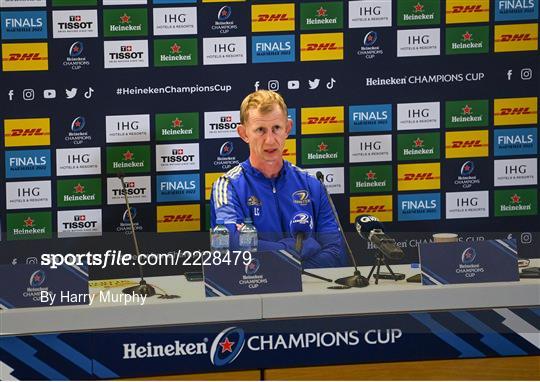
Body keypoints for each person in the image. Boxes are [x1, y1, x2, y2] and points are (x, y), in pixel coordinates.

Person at [210, 90, 348, 268]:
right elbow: (231, 247)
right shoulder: (228, 186)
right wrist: (298, 246)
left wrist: (270, 256)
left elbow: (336, 253)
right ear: (243, 133)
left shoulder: (312, 184)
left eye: (276, 128)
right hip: (252, 289)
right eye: (260, 130)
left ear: (288, 128)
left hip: (310, 292)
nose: (270, 140)